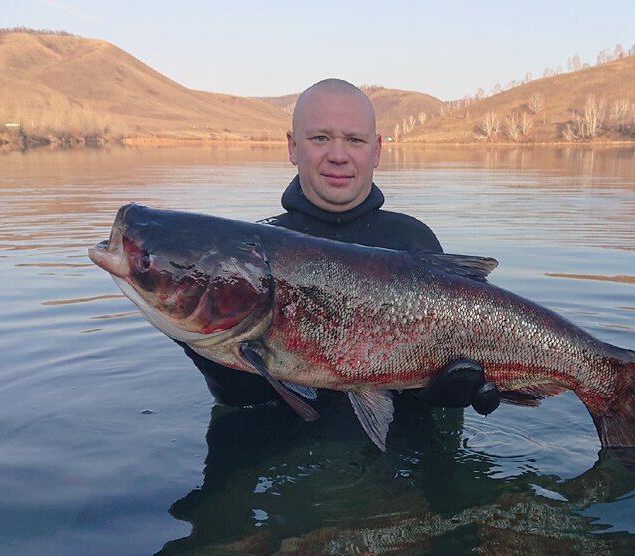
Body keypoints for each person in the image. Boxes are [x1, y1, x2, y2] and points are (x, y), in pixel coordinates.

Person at [178, 78, 500, 417]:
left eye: (354, 140)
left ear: (376, 150)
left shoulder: (414, 240)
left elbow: (447, 412)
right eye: (320, 138)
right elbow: (243, 406)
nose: (337, 155)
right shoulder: (251, 258)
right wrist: (209, 354)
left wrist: (440, 398)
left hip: (403, 458)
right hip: (281, 449)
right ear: (292, 146)